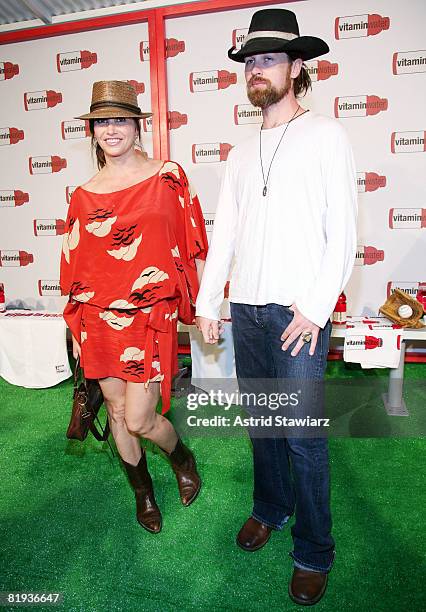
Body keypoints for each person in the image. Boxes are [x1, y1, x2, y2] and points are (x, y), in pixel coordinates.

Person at [196, 9, 357, 606]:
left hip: (298, 317)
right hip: (248, 312)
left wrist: (315, 310)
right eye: (251, 61)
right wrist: (211, 299)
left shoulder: (327, 135)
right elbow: (227, 235)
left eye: (269, 59)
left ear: (297, 68)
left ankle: (314, 551)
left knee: (303, 438)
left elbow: (342, 233)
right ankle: (270, 507)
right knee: (263, 427)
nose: (258, 70)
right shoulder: (240, 153)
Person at [60, 80, 208, 534]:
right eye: (102, 122)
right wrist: (76, 333)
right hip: (97, 317)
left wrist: (203, 304)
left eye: (119, 119)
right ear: (92, 131)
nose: (111, 129)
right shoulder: (83, 195)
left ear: (137, 124)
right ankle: (143, 493)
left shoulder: (168, 176)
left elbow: (194, 241)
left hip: (149, 314)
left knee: (142, 417)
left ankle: (182, 457)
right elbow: (74, 265)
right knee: (118, 411)